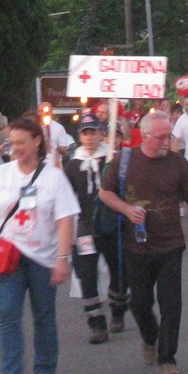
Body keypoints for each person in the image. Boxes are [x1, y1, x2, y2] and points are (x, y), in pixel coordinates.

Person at [0, 117, 79, 374]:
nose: (15, 148)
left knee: (43, 314)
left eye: (21, 142)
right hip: (8, 253)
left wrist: (62, 258)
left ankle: (44, 370)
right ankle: (12, 373)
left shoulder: (53, 177)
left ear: (37, 142)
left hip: (43, 257)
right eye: (12, 142)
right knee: (8, 313)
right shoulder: (1, 174)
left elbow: (65, 218)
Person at [98, 111, 188, 374]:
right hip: (136, 246)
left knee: (171, 303)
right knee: (140, 303)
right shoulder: (125, 160)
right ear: (145, 136)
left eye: (170, 135)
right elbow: (105, 192)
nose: (168, 141)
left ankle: (167, 357)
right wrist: (125, 209)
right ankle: (149, 336)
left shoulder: (178, 164)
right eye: (162, 136)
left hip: (170, 244)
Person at [63, 116, 123, 342]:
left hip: (112, 223)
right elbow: (65, 197)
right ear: (80, 136)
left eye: (93, 132)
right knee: (86, 274)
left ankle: (118, 309)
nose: (89, 137)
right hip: (85, 226)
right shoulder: (72, 164)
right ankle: (96, 322)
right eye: (85, 133)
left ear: (101, 134)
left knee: (118, 270)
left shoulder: (113, 159)